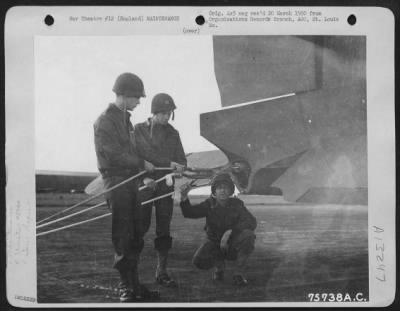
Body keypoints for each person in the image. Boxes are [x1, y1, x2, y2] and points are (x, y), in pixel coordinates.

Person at [93, 72, 159, 302]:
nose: (139, 102)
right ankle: (125, 287)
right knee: (123, 235)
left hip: (131, 181)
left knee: (136, 235)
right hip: (116, 181)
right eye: (137, 97)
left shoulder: (124, 120)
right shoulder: (105, 121)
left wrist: (155, 168)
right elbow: (114, 156)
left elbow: (135, 151)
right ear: (125, 95)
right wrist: (142, 164)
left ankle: (135, 284)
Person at [133, 93, 186, 287]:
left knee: (164, 229)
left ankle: (162, 271)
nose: (166, 116)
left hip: (165, 187)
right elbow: (136, 158)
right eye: (163, 113)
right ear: (153, 112)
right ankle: (132, 273)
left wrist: (180, 168)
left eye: (169, 113)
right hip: (144, 186)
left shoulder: (173, 133)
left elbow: (181, 159)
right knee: (139, 228)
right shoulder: (138, 130)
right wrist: (143, 177)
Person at [179, 173, 257, 286]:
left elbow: (251, 221)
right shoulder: (209, 204)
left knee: (248, 236)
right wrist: (184, 196)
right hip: (214, 244)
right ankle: (219, 267)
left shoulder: (237, 204)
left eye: (226, 188)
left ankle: (238, 274)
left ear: (231, 191)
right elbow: (189, 213)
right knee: (199, 261)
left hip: (232, 243)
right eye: (219, 188)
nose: (223, 191)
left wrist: (231, 232)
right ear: (214, 191)